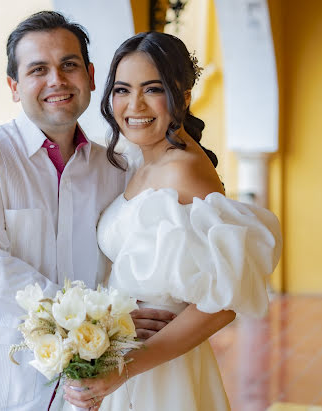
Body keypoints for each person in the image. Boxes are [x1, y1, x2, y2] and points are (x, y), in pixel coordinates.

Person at [0, 12, 175, 411]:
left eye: (69, 65)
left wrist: (127, 318)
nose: (56, 80)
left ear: (91, 76)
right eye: (38, 69)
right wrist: (98, 319)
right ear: (13, 86)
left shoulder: (117, 169)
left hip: (81, 387)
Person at [63, 31, 282, 410]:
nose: (134, 105)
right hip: (119, 355)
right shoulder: (140, 159)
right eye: (121, 90)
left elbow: (223, 303)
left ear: (182, 95)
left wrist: (127, 368)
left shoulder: (184, 171)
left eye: (152, 89)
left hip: (156, 371)